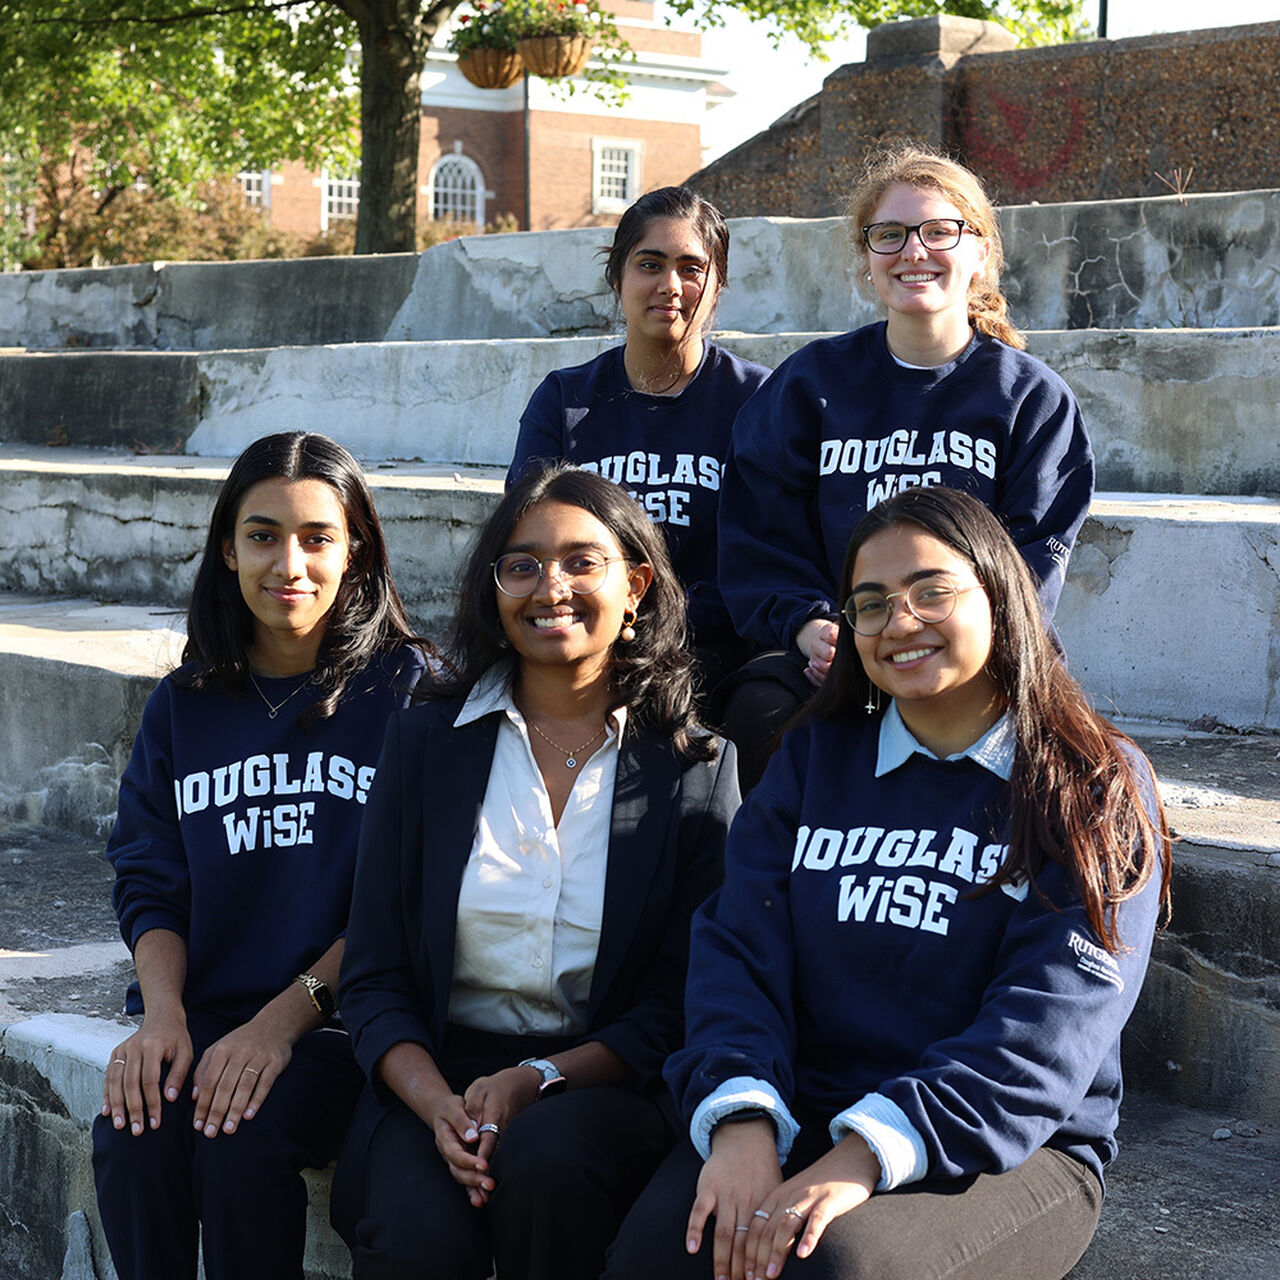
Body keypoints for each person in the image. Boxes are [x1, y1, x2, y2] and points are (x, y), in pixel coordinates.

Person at [606, 485, 1170, 1280]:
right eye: (869, 604)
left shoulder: (1096, 782)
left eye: (931, 591)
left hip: (1004, 1145)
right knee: (664, 1251)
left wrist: (861, 1157)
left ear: (1000, 594)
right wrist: (741, 1126)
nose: (899, 621)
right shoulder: (812, 759)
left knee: (837, 1264)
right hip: (800, 1107)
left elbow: (1048, 1029)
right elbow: (738, 948)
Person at [331, 464, 741, 1280]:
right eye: (521, 564)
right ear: (495, 593)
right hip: (436, 1072)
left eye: (582, 562)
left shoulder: (696, 767)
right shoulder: (424, 745)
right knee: (419, 1235)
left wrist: (540, 1077)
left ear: (637, 586)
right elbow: (373, 975)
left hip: (602, 1077)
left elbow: (681, 1001)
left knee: (550, 1169)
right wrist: (435, 1104)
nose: (549, 586)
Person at [92, 431, 435, 1280]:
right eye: (262, 535)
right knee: (132, 1134)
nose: (290, 563)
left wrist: (282, 1024)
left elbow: (409, 899)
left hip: (344, 1022)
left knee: (239, 1140)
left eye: (318, 537)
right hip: (205, 1010)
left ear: (356, 551)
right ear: (226, 548)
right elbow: (151, 879)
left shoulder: (412, 692)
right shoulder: (185, 704)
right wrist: (163, 1017)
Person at [717, 143, 1094, 788]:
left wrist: (947, 634)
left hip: (975, 655)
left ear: (980, 253)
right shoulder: (809, 385)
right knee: (760, 715)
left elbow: (1034, 557)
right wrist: (808, 625)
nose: (913, 251)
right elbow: (759, 535)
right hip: (839, 654)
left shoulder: (1030, 399)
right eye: (888, 235)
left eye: (939, 231)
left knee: (1056, 760)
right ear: (867, 260)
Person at [508, 185, 771, 700]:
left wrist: (664, 618)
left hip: (714, 647)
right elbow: (527, 537)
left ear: (717, 286)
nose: (670, 285)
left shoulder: (757, 400)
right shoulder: (566, 400)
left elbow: (765, 550)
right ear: (617, 277)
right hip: (585, 636)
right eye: (649, 264)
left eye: (691, 268)